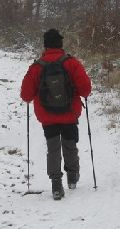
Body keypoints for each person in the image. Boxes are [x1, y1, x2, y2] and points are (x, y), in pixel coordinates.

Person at [20, 29, 91, 200]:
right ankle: (72, 177)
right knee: (70, 144)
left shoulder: (37, 66)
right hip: (69, 113)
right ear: (60, 44)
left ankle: (56, 185)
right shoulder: (71, 63)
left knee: (53, 147)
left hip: (47, 116)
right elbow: (86, 90)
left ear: (45, 45)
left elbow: (26, 95)